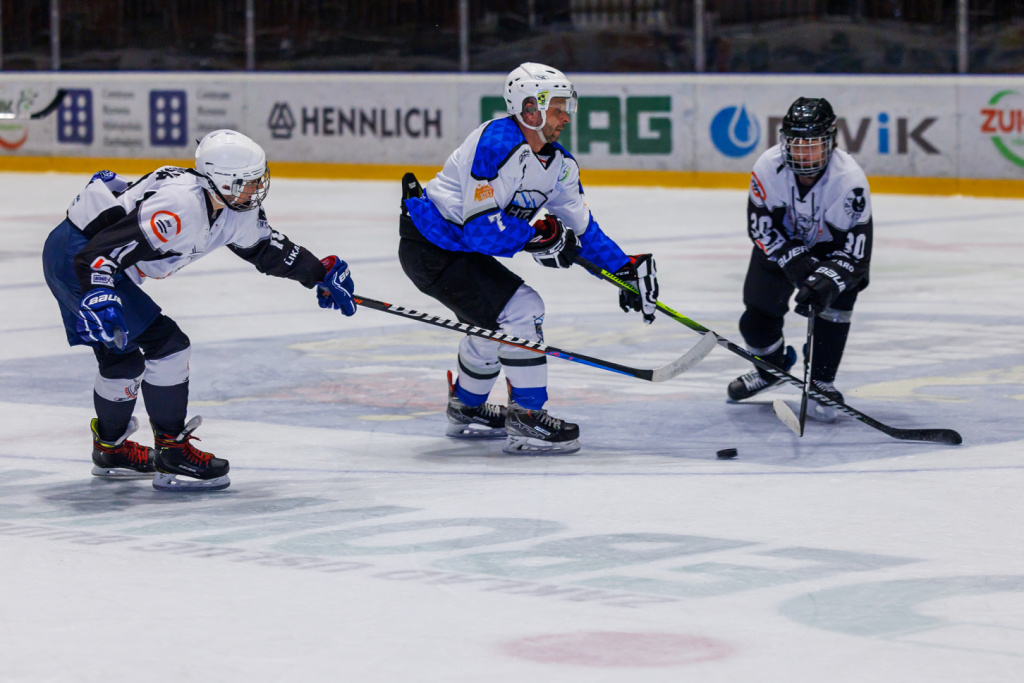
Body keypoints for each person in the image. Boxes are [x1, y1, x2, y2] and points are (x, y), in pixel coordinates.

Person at [42, 129, 358, 491]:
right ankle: (172, 450)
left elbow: (266, 249)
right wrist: (99, 291)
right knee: (168, 345)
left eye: (258, 181)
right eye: (246, 183)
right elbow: (99, 253)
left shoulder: (232, 209)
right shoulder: (180, 207)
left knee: (122, 361)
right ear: (219, 181)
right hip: (78, 259)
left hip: (88, 257)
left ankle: (109, 450)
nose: (256, 190)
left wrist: (319, 273)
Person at [398, 62, 659, 455]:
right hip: (431, 247)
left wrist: (623, 270)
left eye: (567, 108)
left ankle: (467, 406)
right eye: (558, 109)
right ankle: (527, 416)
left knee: (494, 322)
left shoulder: (560, 166)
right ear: (529, 109)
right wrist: (538, 236)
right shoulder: (496, 143)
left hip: (456, 250)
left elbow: (583, 230)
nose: (566, 118)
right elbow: (481, 231)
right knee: (521, 309)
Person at [727, 97, 872, 421]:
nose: (804, 154)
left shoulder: (849, 180)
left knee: (836, 305)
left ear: (830, 142)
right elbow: (760, 227)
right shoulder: (767, 166)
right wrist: (793, 260)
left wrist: (826, 282)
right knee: (755, 320)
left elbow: (857, 253)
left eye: (813, 145)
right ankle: (771, 370)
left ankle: (821, 381)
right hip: (782, 245)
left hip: (832, 253)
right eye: (797, 144)